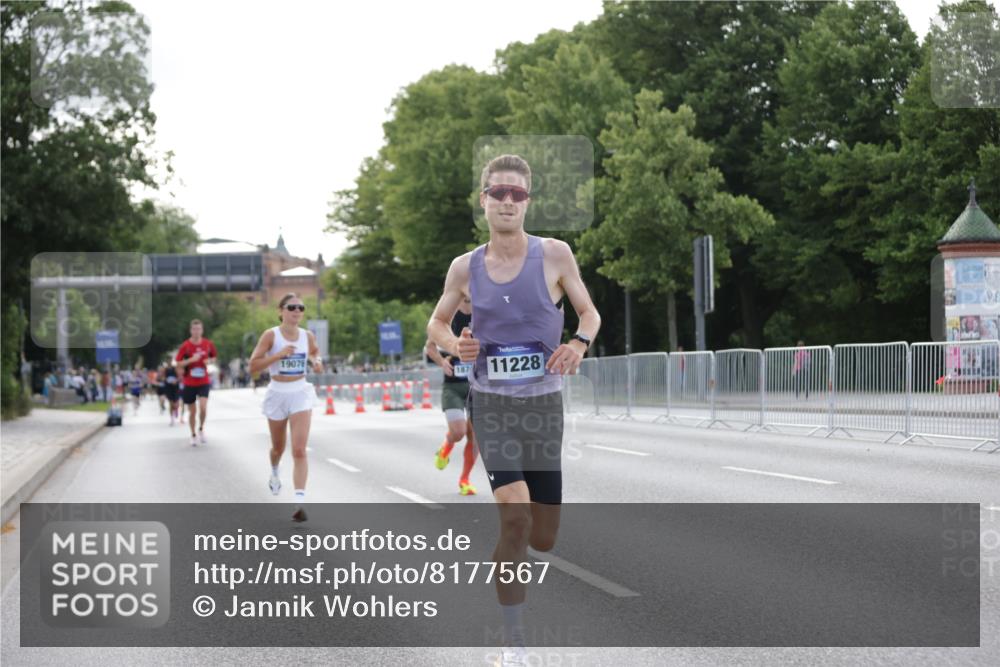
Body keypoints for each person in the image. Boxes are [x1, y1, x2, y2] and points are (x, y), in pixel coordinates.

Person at [427, 154, 600, 666]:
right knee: (517, 517)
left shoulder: (555, 255)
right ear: (483, 200)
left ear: (527, 202)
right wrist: (453, 345)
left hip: (543, 407)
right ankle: (513, 641)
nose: (507, 201)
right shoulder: (465, 267)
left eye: (517, 194)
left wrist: (579, 343)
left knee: (542, 538)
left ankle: (511, 559)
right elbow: (437, 324)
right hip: (493, 406)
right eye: (498, 193)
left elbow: (588, 312)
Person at [249, 293, 323, 522]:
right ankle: (274, 470)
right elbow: (253, 365)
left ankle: (299, 502)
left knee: (299, 449)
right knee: (278, 448)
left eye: (301, 307)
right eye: (292, 307)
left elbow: (314, 352)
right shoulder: (271, 335)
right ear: (281, 311)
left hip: (300, 392)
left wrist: (316, 361)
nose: (297, 311)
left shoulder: (307, 335)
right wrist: (278, 355)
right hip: (277, 394)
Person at [425, 296, 478, 496]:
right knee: (458, 431)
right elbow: (430, 347)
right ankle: (446, 446)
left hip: (478, 386)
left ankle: (465, 480)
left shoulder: (483, 311)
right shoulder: (448, 314)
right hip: (453, 387)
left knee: (476, 437)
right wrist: (442, 362)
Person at [175, 319, 218, 446]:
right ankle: (193, 434)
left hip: (203, 380)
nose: (196, 331)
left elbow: (214, 357)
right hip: (189, 382)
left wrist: (209, 361)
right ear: (191, 330)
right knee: (192, 411)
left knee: (203, 407)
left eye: (199, 329)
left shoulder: (208, 344)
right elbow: (178, 363)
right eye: (194, 329)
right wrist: (191, 360)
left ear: (202, 330)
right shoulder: (185, 345)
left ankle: (201, 429)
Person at [163, 361, 181, 425]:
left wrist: (176, 381)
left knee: (176, 404)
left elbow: (180, 377)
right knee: (171, 404)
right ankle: (172, 419)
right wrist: (166, 380)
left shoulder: (175, 368)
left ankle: (176, 409)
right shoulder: (165, 369)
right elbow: (163, 377)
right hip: (168, 388)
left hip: (176, 388)